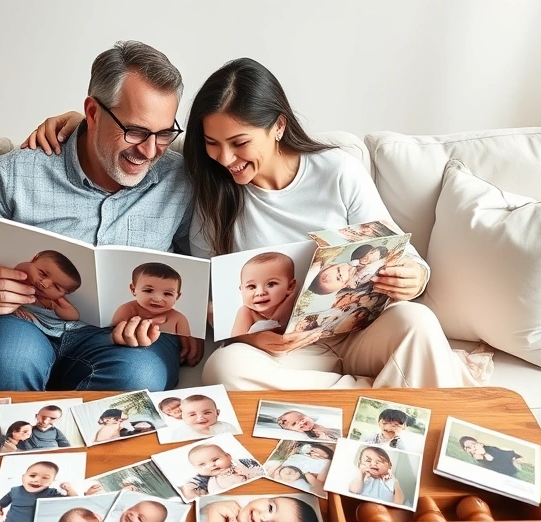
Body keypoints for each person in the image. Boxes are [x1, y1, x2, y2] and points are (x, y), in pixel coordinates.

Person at [24, 57, 465, 391]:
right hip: (279, 353)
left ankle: (350, 402)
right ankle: (371, 399)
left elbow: (402, 256)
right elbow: (203, 296)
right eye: (212, 144)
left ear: (278, 126)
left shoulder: (337, 170)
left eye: (238, 143)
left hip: (359, 334)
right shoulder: (210, 188)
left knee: (418, 321)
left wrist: (411, 277)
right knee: (224, 368)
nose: (226, 159)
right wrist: (253, 338)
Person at [0, 40, 201, 395]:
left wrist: (178, 321)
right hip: (19, 324)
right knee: (11, 360)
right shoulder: (18, 172)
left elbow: (198, 267)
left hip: (121, 337)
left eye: (164, 133)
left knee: (139, 378)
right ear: (92, 112)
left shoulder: (179, 179)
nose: (150, 151)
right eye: (134, 131)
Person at [110, 262, 191, 336]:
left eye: (167, 293)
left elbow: (187, 344)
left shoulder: (178, 319)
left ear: (177, 297)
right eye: (149, 290)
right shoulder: (127, 310)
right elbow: (112, 333)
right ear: (133, 289)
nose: (157, 299)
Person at [231, 252, 297, 337]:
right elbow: (236, 340)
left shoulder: (293, 302)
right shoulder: (247, 312)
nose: (260, 292)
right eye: (252, 286)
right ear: (241, 290)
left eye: (271, 284)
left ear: (290, 286)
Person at [0, 461, 75, 522]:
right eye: (32, 475)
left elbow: (74, 501)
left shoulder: (51, 493)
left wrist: (68, 488)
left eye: (45, 478)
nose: (37, 480)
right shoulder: (15, 491)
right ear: (23, 477)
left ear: (52, 482)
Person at [12, 251, 82, 323]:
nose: (44, 284)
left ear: (66, 293)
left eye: (56, 287)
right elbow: (20, 267)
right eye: (42, 274)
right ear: (33, 259)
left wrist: (54, 307)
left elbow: (74, 316)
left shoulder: (52, 301)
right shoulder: (21, 275)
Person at [180, 443, 263, 500]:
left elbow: (260, 470)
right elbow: (188, 487)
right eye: (202, 464)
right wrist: (192, 495)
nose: (210, 465)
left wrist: (247, 472)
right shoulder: (203, 478)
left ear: (228, 457)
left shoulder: (241, 463)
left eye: (215, 460)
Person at [166, 394, 238, 441]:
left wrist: (207, 432)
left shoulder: (226, 427)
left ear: (217, 413)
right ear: (183, 417)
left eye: (207, 413)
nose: (201, 417)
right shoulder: (180, 432)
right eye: (192, 415)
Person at [459, 436, 526, 477]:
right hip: (504, 464)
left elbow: (498, 459)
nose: (473, 448)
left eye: (474, 445)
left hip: (510, 463)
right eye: (468, 447)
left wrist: (484, 454)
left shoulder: (489, 451)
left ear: (479, 444)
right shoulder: (475, 455)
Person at [276, 410, 341, 440]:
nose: (301, 421)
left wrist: (324, 430)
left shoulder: (325, 420)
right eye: (294, 423)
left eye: (301, 417)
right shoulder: (311, 436)